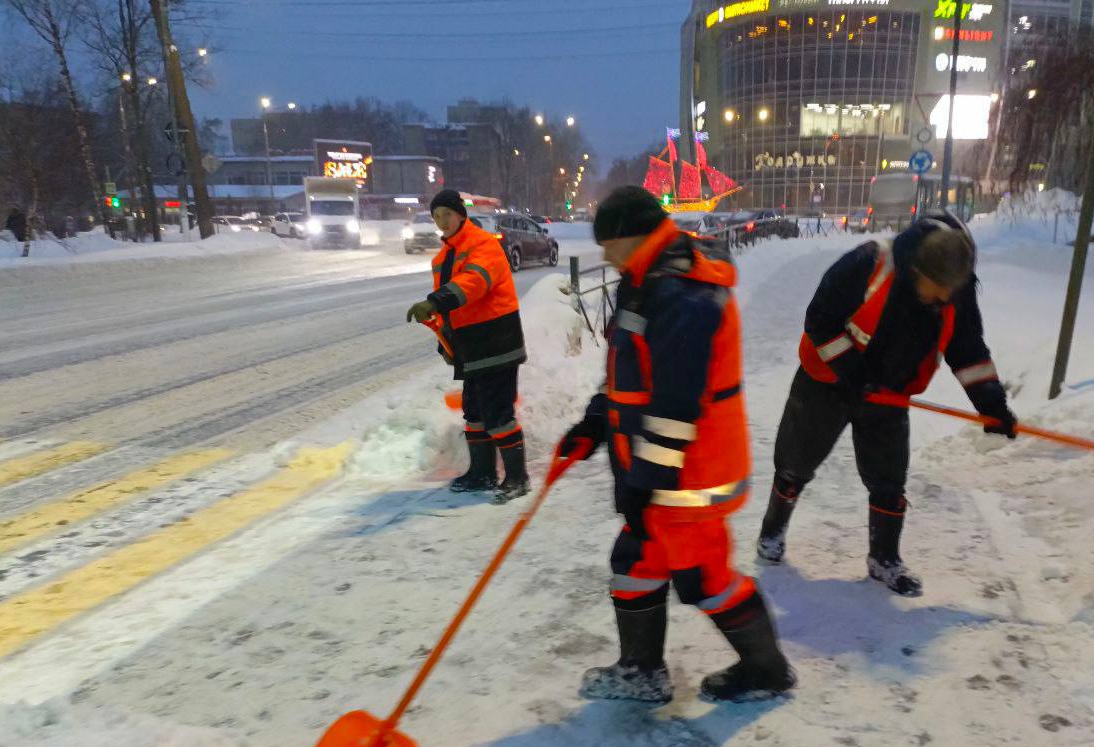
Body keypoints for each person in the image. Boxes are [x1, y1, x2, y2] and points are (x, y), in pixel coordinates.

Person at [557, 186, 796, 703]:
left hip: (690, 474)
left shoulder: (682, 291)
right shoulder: (644, 280)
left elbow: (676, 403)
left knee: (703, 576)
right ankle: (642, 671)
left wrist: (646, 480)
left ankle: (766, 669)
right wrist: (597, 421)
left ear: (632, 237)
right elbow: (632, 371)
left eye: (608, 244)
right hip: (659, 467)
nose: (604, 256)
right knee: (637, 559)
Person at [756, 211, 1017, 597]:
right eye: (936, 290)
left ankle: (884, 559)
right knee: (796, 460)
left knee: (889, 478)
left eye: (950, 293)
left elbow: (968, 350)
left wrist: (991, 405)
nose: (943, 299)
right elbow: (819, 320)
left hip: (890, 392)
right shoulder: (868, 263)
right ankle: (772, 532)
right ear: (915, 270)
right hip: (826, 381)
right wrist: (852, 371)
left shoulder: (955, 286)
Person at [407, 190, 530, 504]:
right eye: (436, 217)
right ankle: (482, 472)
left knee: (498, 413)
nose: (442, 222)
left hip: (496, 340)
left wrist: (434, 302)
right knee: (474, 412)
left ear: (461, 214)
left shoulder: (483, 245)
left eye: (447, 214)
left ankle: (518, 478)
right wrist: (447, 342)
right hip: (472, 345)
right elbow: (453, 308)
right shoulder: (442, 257)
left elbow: (474, 283)